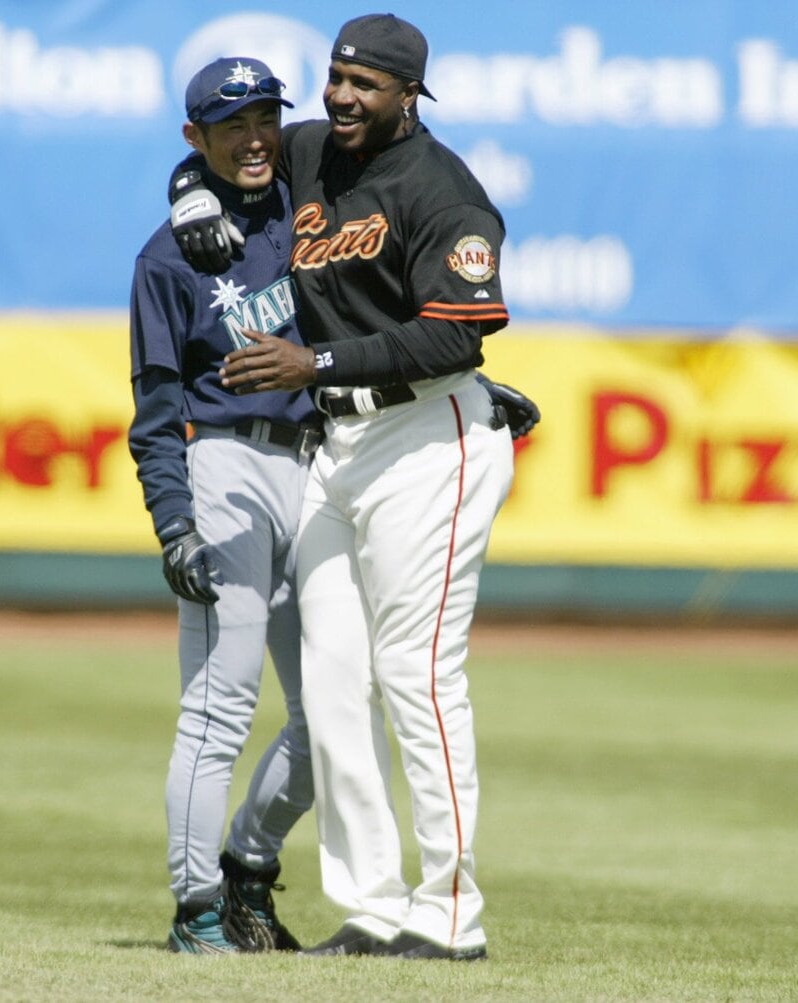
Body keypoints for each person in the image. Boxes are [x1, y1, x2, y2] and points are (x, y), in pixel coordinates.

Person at [167, 14, 538, 962]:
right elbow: (225, 152)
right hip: (341, 445)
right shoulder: (313, 150)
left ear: (408, 95)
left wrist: (312, 360)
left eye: (365, 85)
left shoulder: (444, 192)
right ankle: (374, 905)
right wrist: (187, 199)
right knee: (332, 685)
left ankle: (449, 914)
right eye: (336, 78)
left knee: (418, 674)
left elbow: (459, 331)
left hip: (428, 435)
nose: (341, 97)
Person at [127, 55, 322, 955]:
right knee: (220, 704)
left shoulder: (303, 200)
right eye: (231, 121)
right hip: (227, 469)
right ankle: (197, 907)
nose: (255, 137)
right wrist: (175, 523)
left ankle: (248, 865)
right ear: (194, 137)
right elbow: (157, 416)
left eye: (265, 117)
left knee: (334, 711)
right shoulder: (166, 259)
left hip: (319, 468)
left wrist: (190, 186)